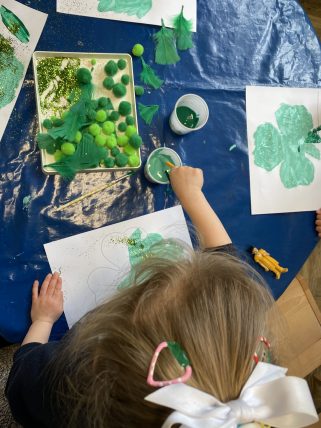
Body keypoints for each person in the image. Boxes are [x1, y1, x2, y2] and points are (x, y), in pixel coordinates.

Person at [5, 167, 318, 428]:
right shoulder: (243, 373)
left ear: (104, 350)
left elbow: (19, 381)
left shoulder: (69, 382)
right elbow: (226, 277)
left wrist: (43, 321)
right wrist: (193, 195)